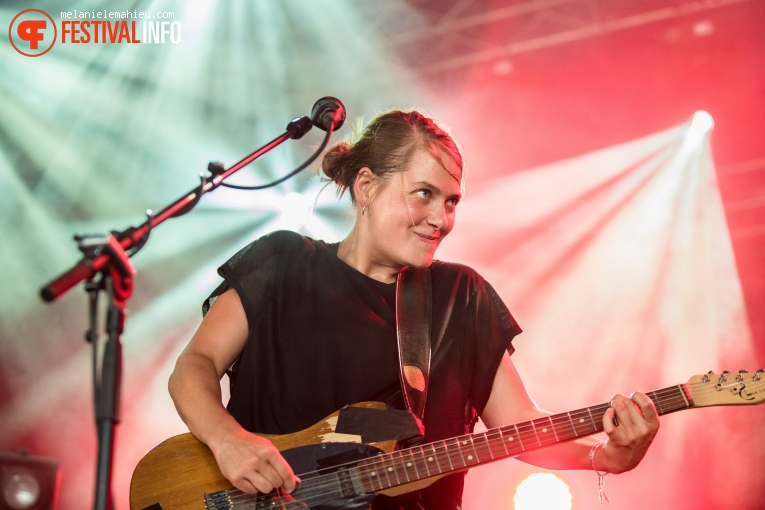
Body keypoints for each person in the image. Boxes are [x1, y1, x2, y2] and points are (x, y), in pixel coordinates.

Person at [168, 109, 660, 509]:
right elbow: (196, 364)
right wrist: (227, 440)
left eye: (451, 202)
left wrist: (608, 456)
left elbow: (518, 425)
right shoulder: (283, 262)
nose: (441, 219)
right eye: (424, 194)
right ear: (366, 187)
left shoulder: (459, 297)